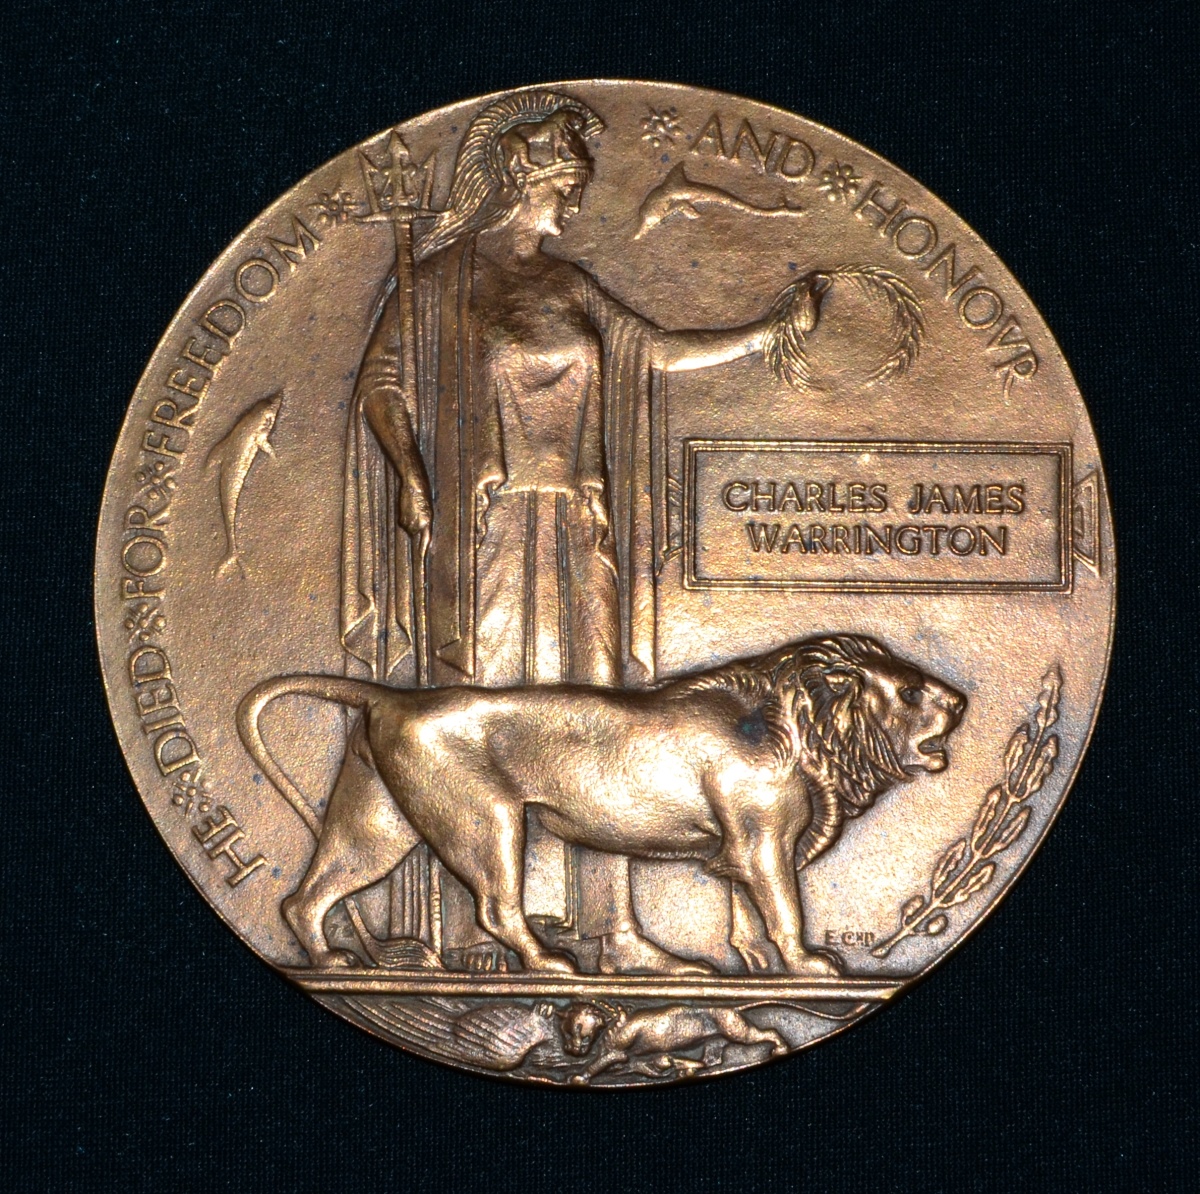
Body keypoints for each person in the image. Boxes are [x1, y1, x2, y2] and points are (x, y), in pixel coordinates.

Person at [336, 88, 816, 973]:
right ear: (524, 180)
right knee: (481, 714)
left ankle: (613, 932)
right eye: (567, 185)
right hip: (485, 527)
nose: (576, 200)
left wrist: (762, 334)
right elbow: (383, 386)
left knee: (600, 719)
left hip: (575, 525)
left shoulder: (569, 286)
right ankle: (485, 927)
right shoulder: (440, 283)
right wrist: (410, 475)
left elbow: (654, 351)